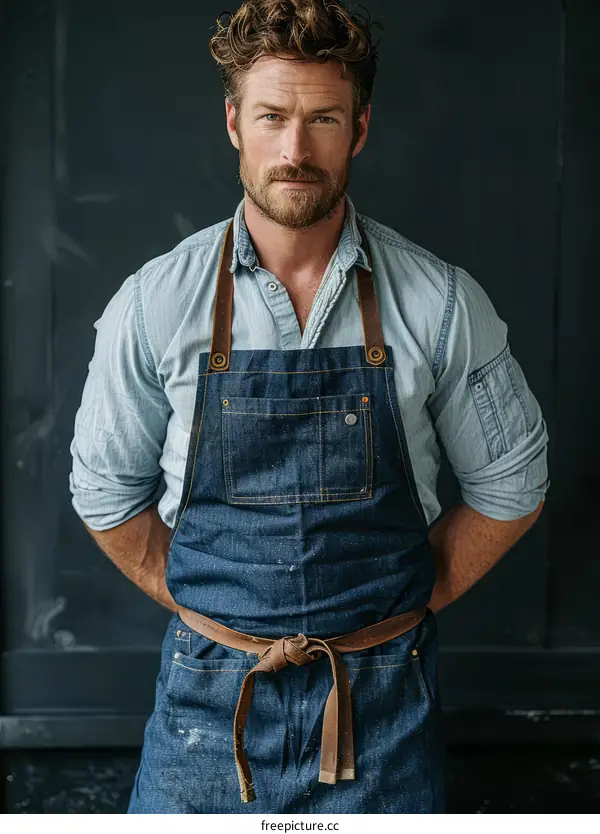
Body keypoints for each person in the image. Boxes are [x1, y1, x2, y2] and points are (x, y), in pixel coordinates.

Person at [69, 0, 549, 815]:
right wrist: (217, 619)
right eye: (272, 116)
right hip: (204, 716)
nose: (295, 149)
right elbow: (106, 495)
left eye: (323, 118)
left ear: (359, 128)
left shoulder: (438, 303)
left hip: (385, 713)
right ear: (234, 123)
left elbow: (513, 485)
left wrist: (401, 607)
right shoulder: (154, 305)